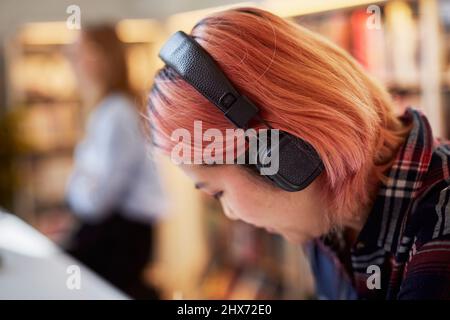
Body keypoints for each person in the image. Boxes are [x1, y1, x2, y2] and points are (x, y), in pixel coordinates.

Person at [147, 8, 450, 299]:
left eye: (218, 192)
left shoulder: (440, 238)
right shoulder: (325, 219)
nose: (230, 214)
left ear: (283, 155)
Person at [65, 25, 166, 299]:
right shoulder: (106, 110)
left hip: (121, 236)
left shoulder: (117, 114)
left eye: (79, 51)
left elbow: (98, 199)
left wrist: (76, 187)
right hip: (117, 231)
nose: (71, 59)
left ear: (102, 58)